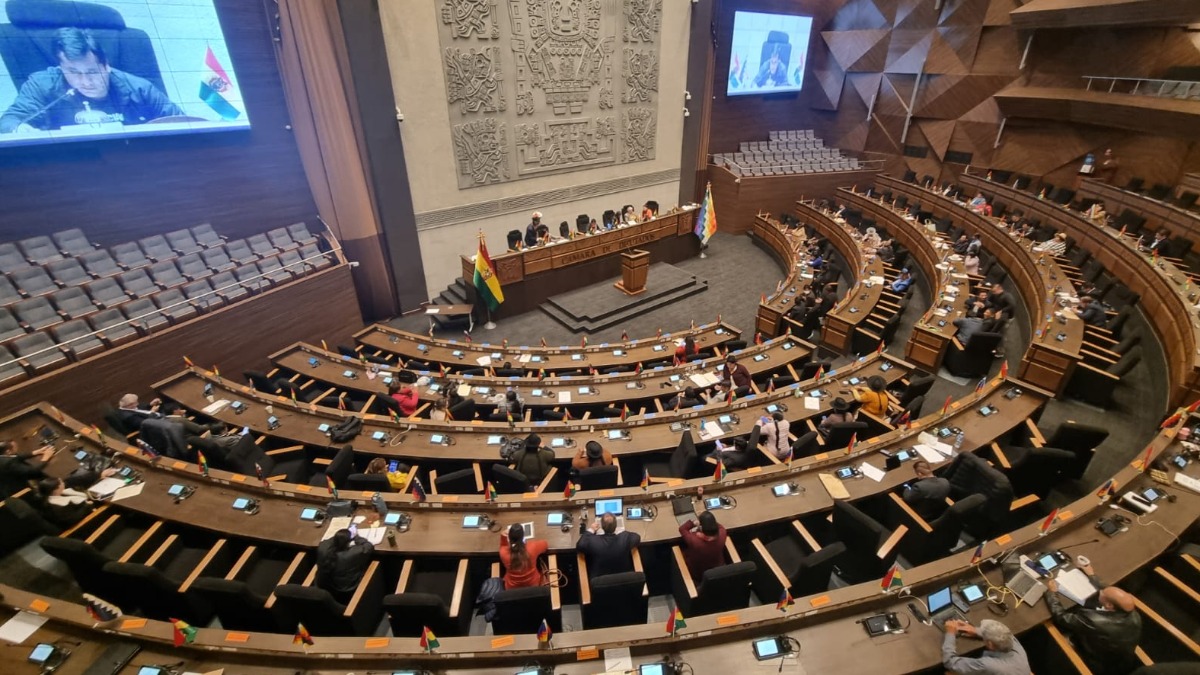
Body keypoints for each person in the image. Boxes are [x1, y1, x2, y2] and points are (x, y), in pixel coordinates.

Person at [1, 28, 185, 134]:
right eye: (73, 72)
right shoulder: (42, 85)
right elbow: (9, 121)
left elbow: (183, 122)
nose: (85, 81)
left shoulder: (138, 88)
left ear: (106, 66)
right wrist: (19, 128)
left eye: (92, 71)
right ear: (61, 68)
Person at [1046, 565, 1142, 675]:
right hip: (1122, 659)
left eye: (1102, 594)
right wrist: (1092, 575)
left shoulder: (1094, 621)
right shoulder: (1134, 614)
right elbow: (1110, 592)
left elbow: (1062, 617)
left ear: (1109, 606)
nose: (1100, 591)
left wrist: (1052, 593)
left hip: (1098, 664)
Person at [942, 619, 1031, 675]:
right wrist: (976, 630)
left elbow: (950, 662)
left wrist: (950, 633)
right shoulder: (1013, 641)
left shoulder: (987, 665)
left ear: (990, 644)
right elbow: (1001, 636)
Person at [316, 528, 374, 603]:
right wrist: (355, 536)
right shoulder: (353, 554)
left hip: (329, 588)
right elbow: (368, 546)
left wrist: (341, 535)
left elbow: (326, 542)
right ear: (348, 543)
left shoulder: (323, 548)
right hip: (350, 591)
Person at [576, 512, 641, 578]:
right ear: (616, 526)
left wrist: (591, 529)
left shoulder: (593, 541)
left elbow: (580, 545)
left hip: (600, 583)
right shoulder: (625, 537)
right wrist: (621, 532)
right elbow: (637, 537)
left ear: (602, 526)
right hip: (624, 581)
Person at [678, 511, 727, 582]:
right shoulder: (722, 533)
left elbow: (682, 529)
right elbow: (720, 526)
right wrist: (707, 521)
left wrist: (694, 523)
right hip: (717, 570)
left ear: (702, 528)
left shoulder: (695, 541)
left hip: (697, 573)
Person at [499, 523, 548, 588]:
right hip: (533, 584)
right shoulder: (532, 547)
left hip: (512, 588)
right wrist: (530, 543)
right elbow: (545, 544)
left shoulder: (503, 552)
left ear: (509, 537)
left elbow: (503, 546)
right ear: (523, 536)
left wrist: (503, 537)